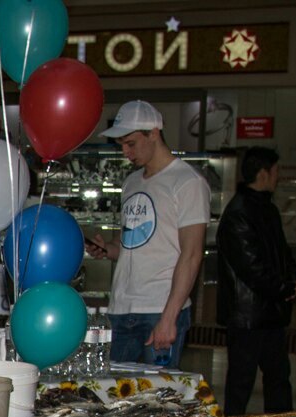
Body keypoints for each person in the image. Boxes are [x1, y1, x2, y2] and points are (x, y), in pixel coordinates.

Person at [85, 100, 211, 368]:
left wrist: (169, 317)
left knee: (156, 399)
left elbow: (192, 254)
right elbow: (129, 244)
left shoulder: (188, 182)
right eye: (121, 145)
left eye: (131, 143)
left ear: (154, 133)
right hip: (121, 307)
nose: (126, 152)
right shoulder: (131, 182)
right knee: (116, 396)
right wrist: (108, 248)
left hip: (159, 308)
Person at [216, 146, 296, 414]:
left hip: (270, 312)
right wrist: (283, 288)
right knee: (241, 382)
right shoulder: (239, 213)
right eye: (276, 171)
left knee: (279, 378)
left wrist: (294, 280)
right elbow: (250, 266)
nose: (279, 177)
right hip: (247, 316)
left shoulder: (268, 209)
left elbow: (283, 252)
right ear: (263, 173)